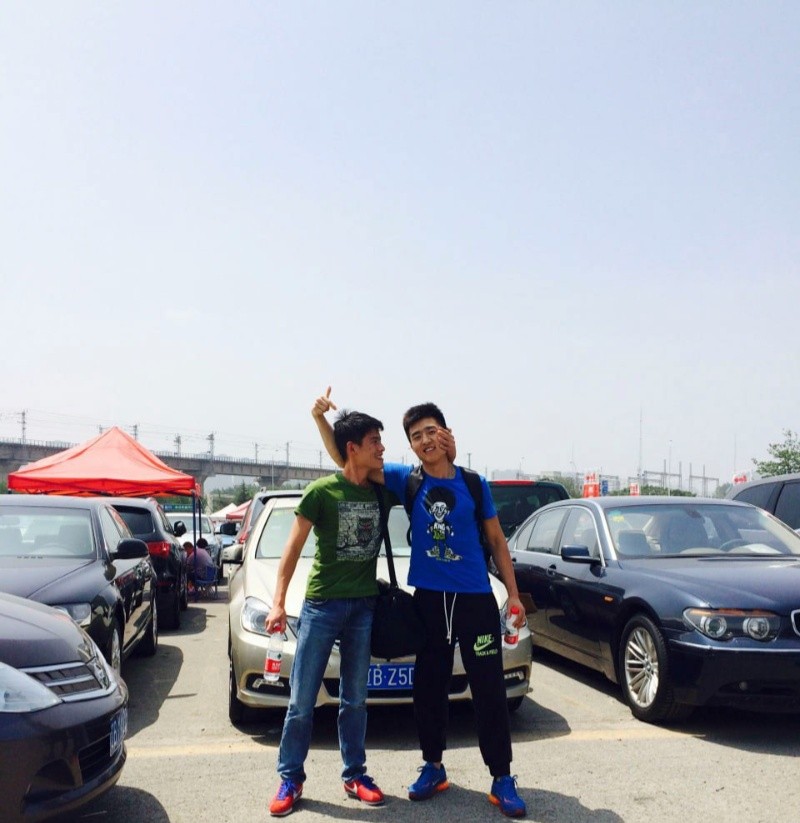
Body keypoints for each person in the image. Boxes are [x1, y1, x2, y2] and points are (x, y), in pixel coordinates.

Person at [312, 387, 528, 819]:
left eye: (431, 432)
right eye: (416, 436)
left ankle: (502, 777)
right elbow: (348, 461)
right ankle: (433, 766)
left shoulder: (473, 483)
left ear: (446, 435)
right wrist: (320, 420)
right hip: (429, 600)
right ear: (410, 445)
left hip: (475, 602)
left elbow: (496, 539)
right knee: (428, 686)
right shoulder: (406, 480)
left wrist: (515, 595)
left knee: (488, 688)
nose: (425, 440)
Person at [265, 408, 393, 817]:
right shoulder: (321, 492)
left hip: (364, 607)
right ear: (353, 448)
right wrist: (278, 602)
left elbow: (354, 460)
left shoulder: (382, 489)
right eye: (375, 441)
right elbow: (292, 548)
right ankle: (290, 777)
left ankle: (355, 774)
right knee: (302, 699)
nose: (382, 448)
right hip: (322, 605)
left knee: (355, 700)